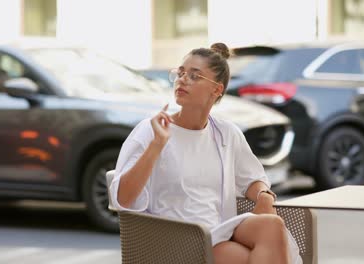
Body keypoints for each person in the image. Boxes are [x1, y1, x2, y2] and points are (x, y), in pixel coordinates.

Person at [109, 43, 301, 264]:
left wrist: (264, 196)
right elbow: (122, 199)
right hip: (175, 238)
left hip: (220, 230)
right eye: (181, 73)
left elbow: (252, 178)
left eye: (194, 76)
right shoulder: (150, 130)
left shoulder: (226, 134)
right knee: (254, 257)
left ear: (216, 90)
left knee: (272, 225)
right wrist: (156, 145)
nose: (182, 80)